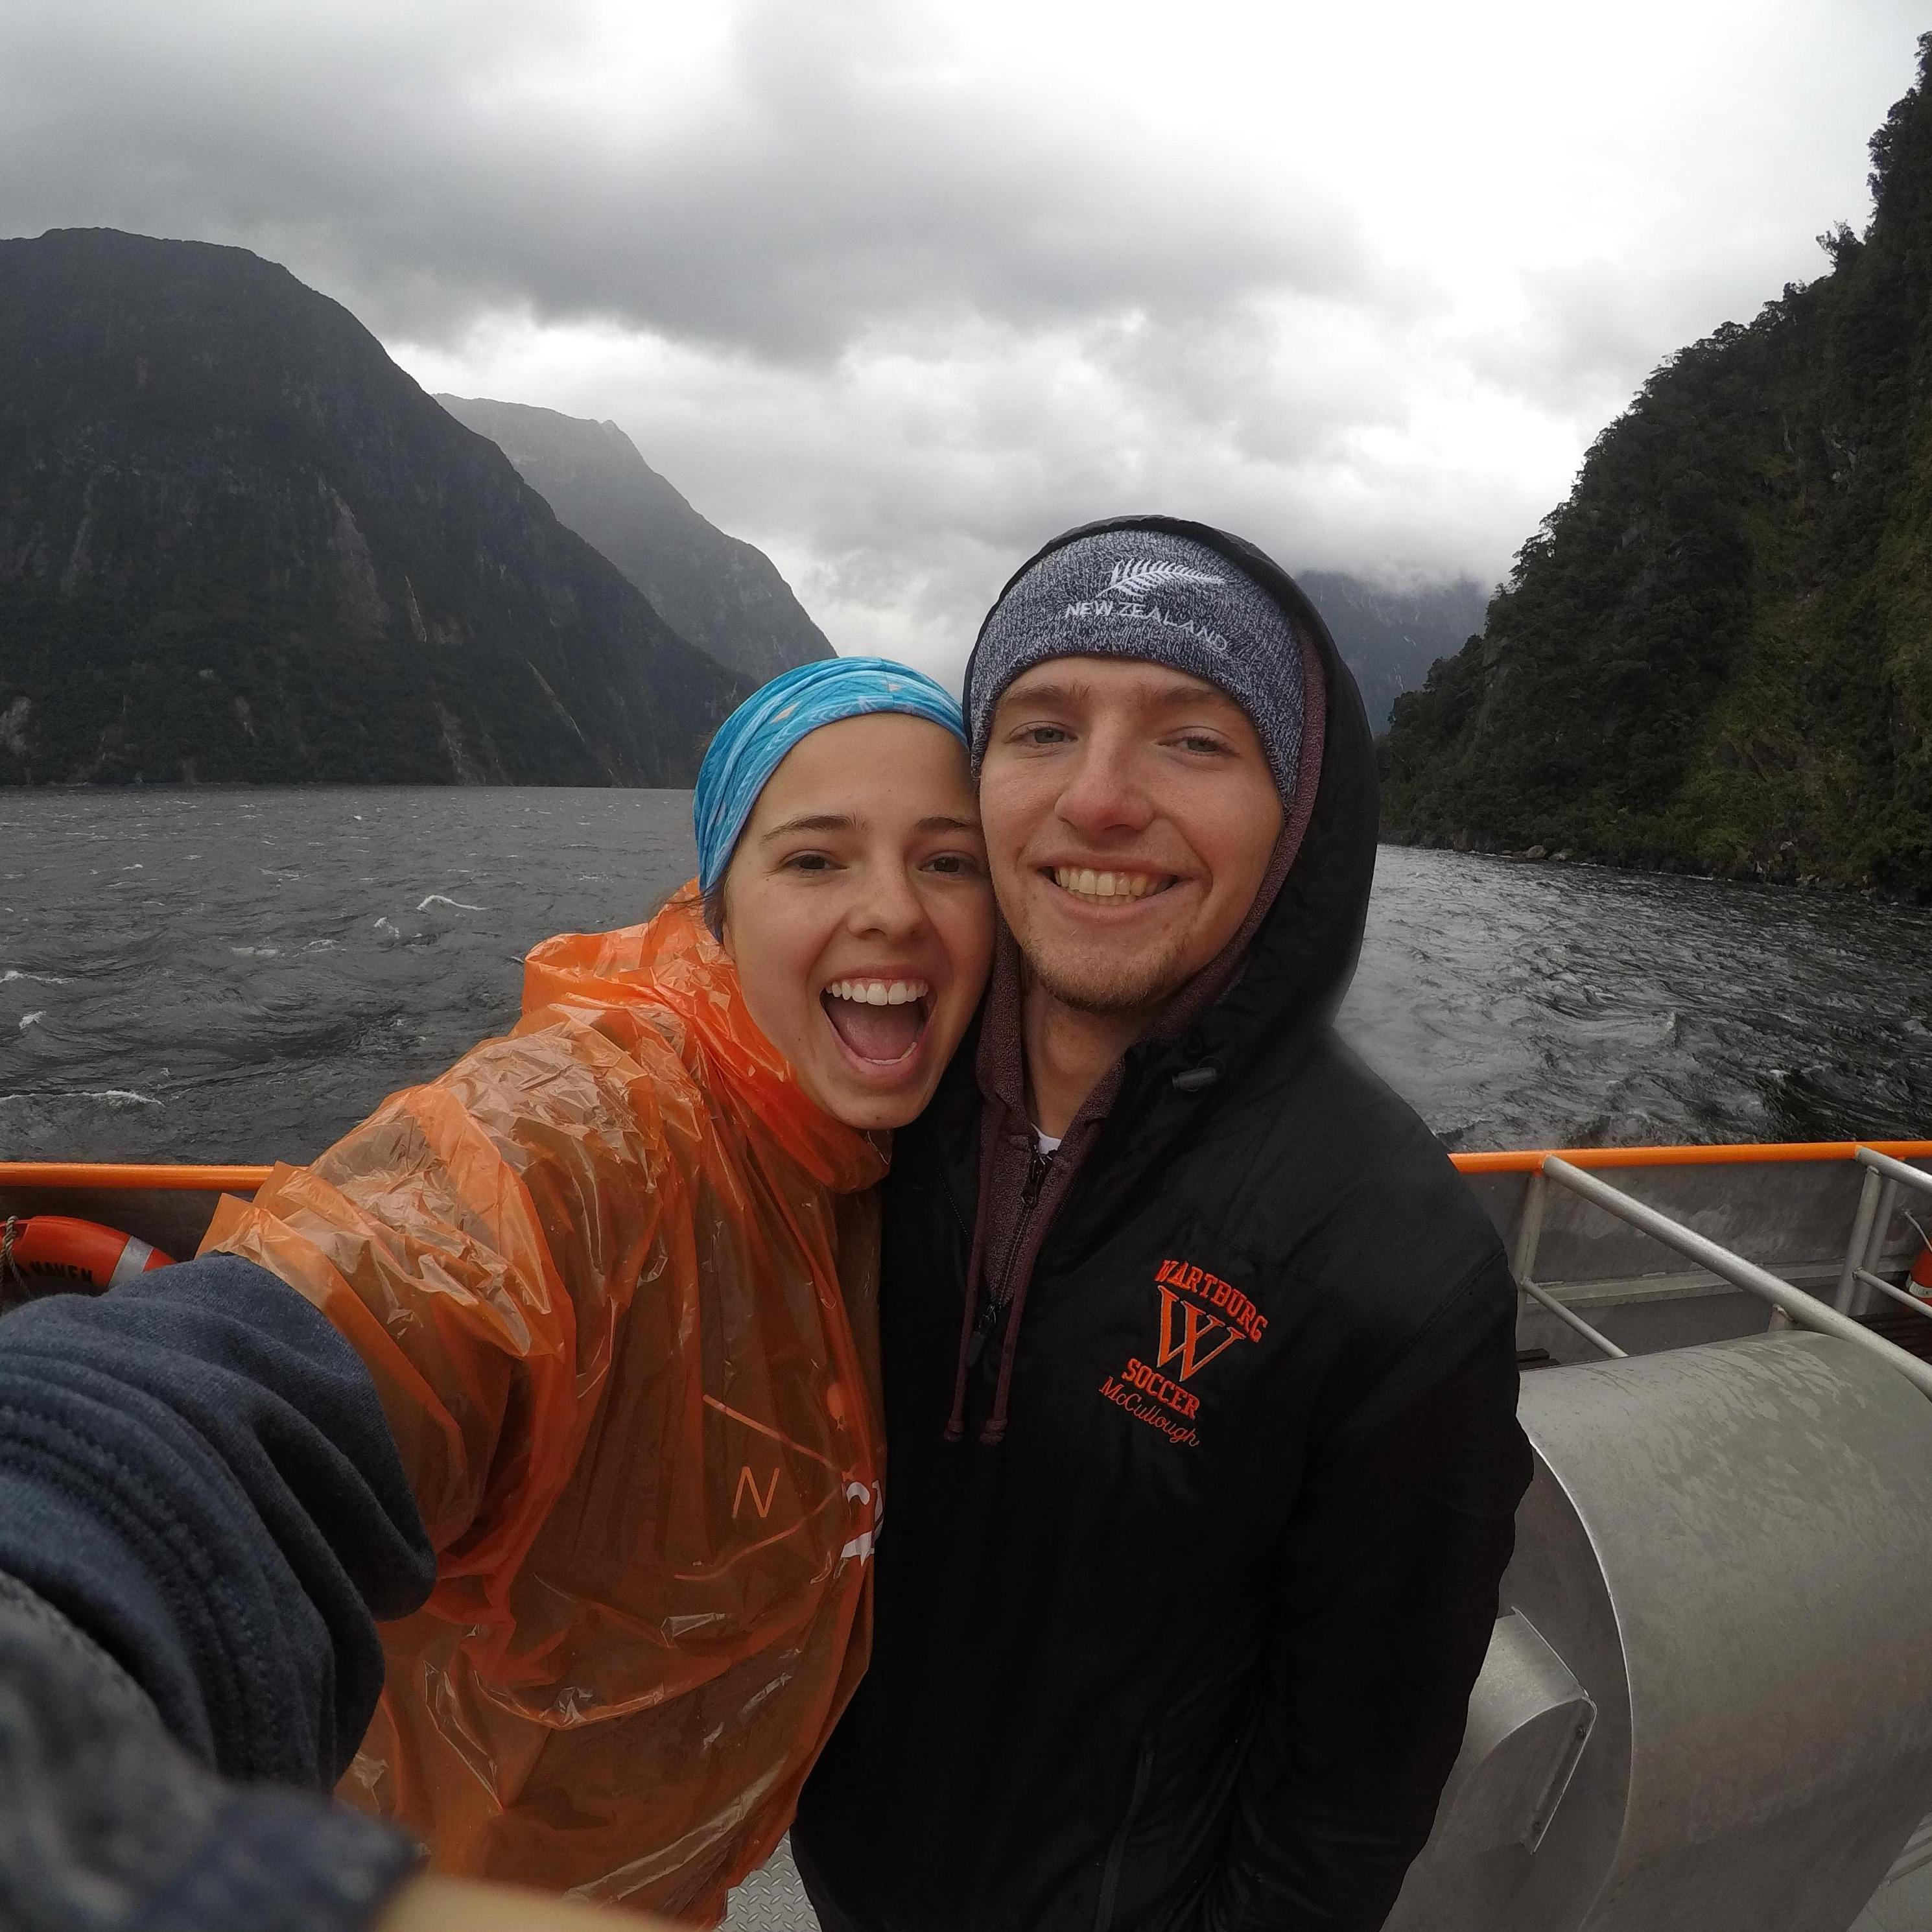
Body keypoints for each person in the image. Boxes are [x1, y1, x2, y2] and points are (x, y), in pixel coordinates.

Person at [0, 657, 993, 1927]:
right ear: (719, 905)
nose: (893, 910)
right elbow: (281, 1358)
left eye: (947, 860)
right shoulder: (583, 1134)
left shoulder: (893, 1143)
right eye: (814, 859)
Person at [789, 519, 1535, 1932]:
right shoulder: (856, 1105)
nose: (1102, 800)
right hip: (839, 1853)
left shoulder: (1387, 1257)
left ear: (1298, 809)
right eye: (1042, 727)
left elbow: (1349, 1778)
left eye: (1193, 741)